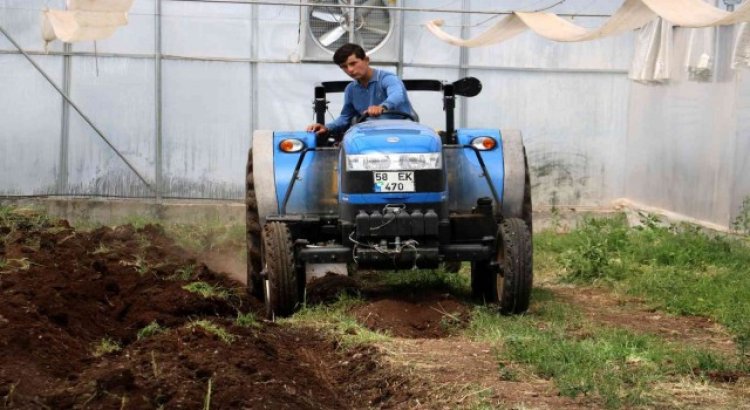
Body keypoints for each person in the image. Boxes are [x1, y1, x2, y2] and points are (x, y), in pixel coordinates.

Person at [306, 43, 415, 136]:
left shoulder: (388, 78)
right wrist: (326, 127)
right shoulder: (351, 90)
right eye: (344, 66)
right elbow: (345, 118)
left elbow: (397, 95)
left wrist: (382, 107)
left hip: (402, 131)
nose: (350, 70)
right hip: (370, 134)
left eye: (353, 63)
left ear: (366, 60)